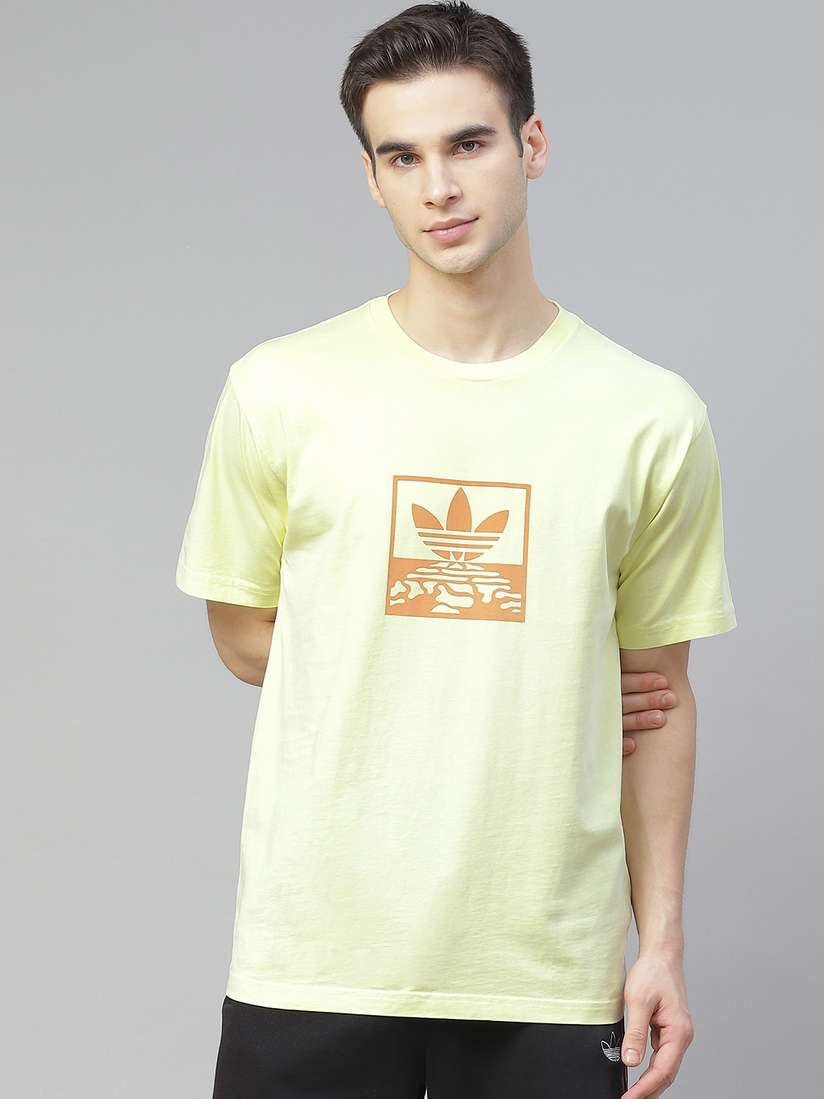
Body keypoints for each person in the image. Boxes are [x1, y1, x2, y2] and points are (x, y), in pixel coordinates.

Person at [174, 4, 737, 1097]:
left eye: (468, 144)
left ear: (531, 144)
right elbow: (243, 637)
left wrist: (659, 944)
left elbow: (658, 701)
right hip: (316, 952)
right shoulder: (280, 389)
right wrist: (529, 664)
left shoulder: (648, 415)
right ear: (371, 178)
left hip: (547, 967)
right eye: (402, 156)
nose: (439, 186)